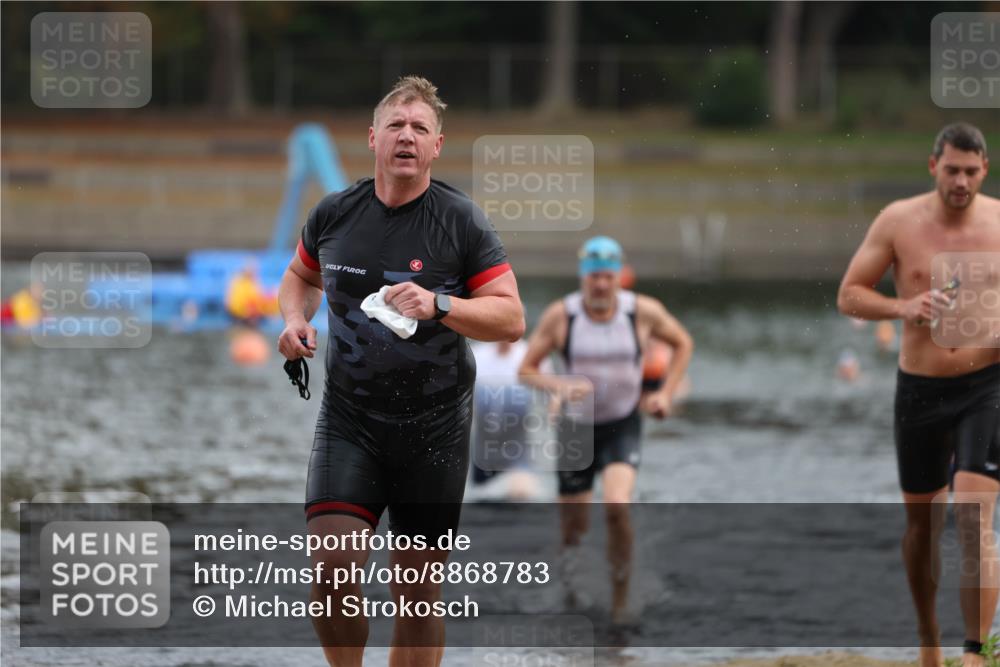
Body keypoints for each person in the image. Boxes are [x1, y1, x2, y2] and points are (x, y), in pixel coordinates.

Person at [276, 76, 525, 667]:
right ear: (373, 138)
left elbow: (511, 318)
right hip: (350, 421)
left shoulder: (461, 222)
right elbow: (300, 278)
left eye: (420, 128)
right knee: (333, 572)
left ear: (437, 146)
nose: (407, 136)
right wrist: (293, 321)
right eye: (396, 125)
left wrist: (442, 304)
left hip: (434, 428)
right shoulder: (335, 213)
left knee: (416, 594)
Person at [837, 122, 1000, 667]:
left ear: (985, 170)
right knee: (922, 527)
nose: (961, 180)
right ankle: (929, 639)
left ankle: (975, 650)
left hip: (988, 385)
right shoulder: (899, 221)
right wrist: (902, 307)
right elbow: (850, 296)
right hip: (921, 389)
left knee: (975, 517)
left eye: (971, 171)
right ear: (933, 166)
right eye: (952, 169)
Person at [517, 235, 694, 624]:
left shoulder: (642, 312)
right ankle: (569, 593)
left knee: (616, 506)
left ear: (619, 278)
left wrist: (665, 393)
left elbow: (683, 343)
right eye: (594, 277)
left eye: (607, 278)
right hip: (576, 430)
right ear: (583, 278)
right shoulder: (562, 316)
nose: (600, 285)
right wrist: (559, 386)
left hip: (621, 424)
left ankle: (620, 601)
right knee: (573, 531)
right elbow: (526, 369)